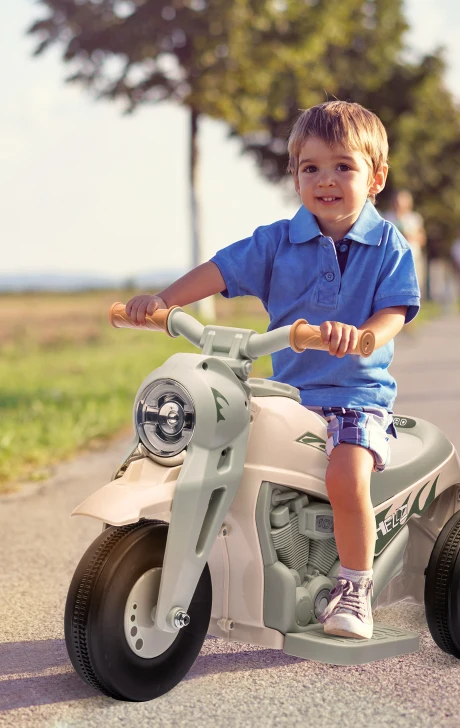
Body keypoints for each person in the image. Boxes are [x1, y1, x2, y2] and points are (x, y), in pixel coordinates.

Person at [125, 101, 420, 640]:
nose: (325, 180)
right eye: (311, 168)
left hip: (354, 395)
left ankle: (355, 587)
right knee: (210, 438)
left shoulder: (388, 246)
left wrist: (365, 336)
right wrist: (164, 301)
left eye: (343, 167)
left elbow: (395, 311)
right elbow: (220, 269)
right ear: (295, 176)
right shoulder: (278, 241)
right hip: (289, 392)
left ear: (376, 178)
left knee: (345, 473)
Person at [382, 190, 426, 301]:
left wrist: (411, 236)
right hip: (392, 258)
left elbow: (422, 239)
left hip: (413, 257)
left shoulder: (414, 218)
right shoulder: (387, 217)